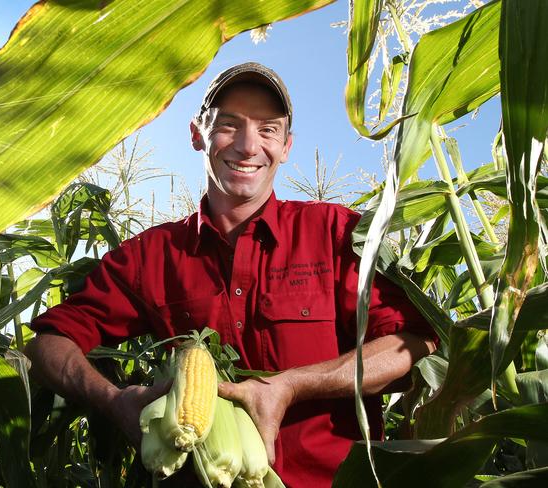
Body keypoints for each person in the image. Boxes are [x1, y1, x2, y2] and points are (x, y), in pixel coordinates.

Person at [26, 62, 436, 487]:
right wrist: (114, 401)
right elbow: (49, 344)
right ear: (197, 134)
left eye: (267, 130)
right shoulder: (151, 256)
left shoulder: (337, 233)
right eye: (228, 125)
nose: (247, 146)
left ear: (286, 146)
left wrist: (293, 385)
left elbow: (410, 341)